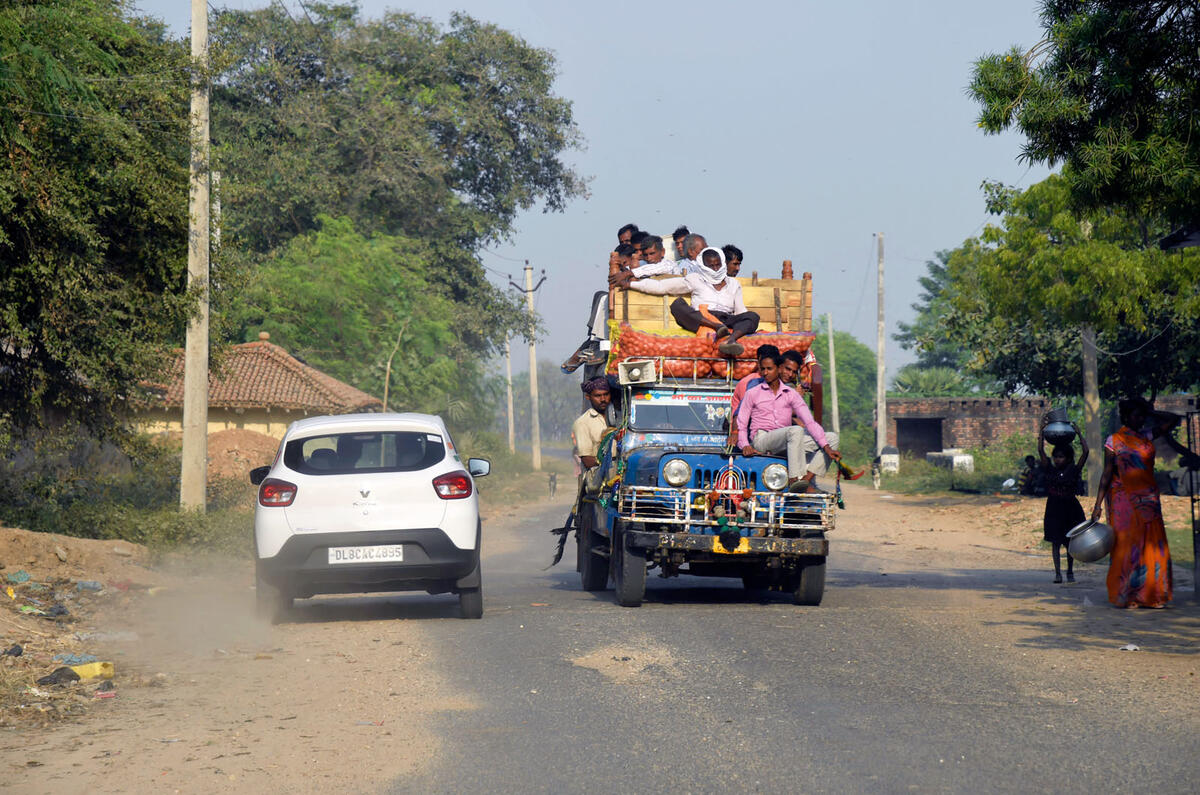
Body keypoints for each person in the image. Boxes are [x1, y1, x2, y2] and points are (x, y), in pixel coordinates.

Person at [1090, 397, 1173, 608]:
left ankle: (1152, 594)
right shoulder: (1114, 441)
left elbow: (1172, 421)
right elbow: (1107, 474)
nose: (1140, 419)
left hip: (1149, 499)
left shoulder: (1147, 436)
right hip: (1123, 500)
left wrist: (1150, 411)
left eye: (1142, 416)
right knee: (1127, 546)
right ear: (1126, 417)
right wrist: (1097, 505)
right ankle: (1126, 595)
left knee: (1152, 544)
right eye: (1136, 415)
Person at [620, 247, 759, 356]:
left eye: (718, 265)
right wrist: (631, 284)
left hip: (725, 319)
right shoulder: (695, 279)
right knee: (677, 305)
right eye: (711, 266)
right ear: (703, 266)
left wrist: (744, 323)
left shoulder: (733, 284)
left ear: (723, 263)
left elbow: (741, 311)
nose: (715, 269)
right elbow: (661, 286)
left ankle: (730, 340)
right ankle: (716, 327)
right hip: (702, 318)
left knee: (753, 316)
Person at [737, 351, 840, 493]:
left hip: (787, 441)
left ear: (777, 368)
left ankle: (805, 482)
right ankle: (794, 479)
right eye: (763, 369)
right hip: (762, 439)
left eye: (769, 369)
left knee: (832, 438)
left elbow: (809, 422)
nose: (765, 373)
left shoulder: (791, 394)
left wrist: (827, 447)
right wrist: (744, 445)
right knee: (795, 430)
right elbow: (741, 423)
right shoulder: (753, 393)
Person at [1038, 417, 1088, 583]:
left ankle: (1070, 571)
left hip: (1070, 508)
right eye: (1056, 457)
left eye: (1061, 457)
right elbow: (1040, 451)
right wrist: (1041, 431)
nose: (1057, 459)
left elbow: (1086, 452)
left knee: (1070, 541)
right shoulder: (1050, 470)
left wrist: (1079, 434)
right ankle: (1058, 573)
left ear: (1067, 458)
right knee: (1055, 541)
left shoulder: (1073, 470)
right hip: (1054, 509)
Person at [572, 377, 613, 490]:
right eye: (598, 396)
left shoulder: (621, 416)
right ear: (588, 397)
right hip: (598, 482)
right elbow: (587, 461)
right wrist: (612, 462)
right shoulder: (583, 422)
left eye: (606, 394)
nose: (603, 399)